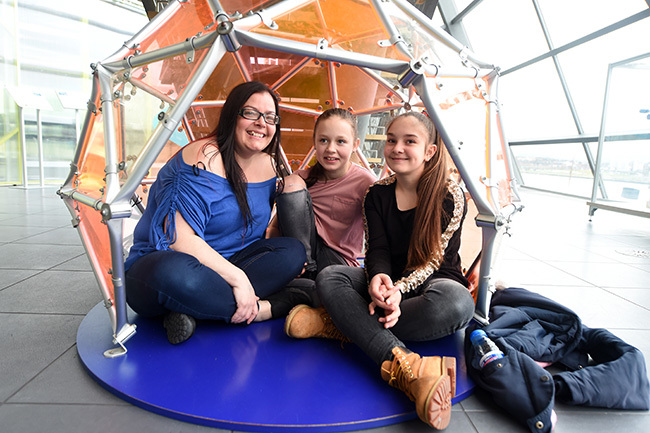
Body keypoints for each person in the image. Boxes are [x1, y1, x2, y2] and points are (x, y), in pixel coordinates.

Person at [284, 111, 475, 430]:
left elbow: (431, 260)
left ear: (429, 151)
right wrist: (377, 278)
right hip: (387, 284)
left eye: (409, 141)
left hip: (432, 285)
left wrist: (399, 291)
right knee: (332, 277)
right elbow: (378, 250)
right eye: (391, 140)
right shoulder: (377, 193)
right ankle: (407, 367)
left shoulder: (449, 194)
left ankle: (336, 324)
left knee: (457, 304)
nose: (397, 147)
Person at [124, 81, 307, 345]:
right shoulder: (204, 157)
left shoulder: (269, 164)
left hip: (225, 267)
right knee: (174, 273)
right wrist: (240, 280)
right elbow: (179, 240)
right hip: (165, 268)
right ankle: (267, 309)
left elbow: (258, 228)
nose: (261, 123)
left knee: (292, 252)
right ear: (232, 115)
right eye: (251, 113)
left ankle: (195, 311)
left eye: (270, 117)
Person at [270, 108, 376, 279]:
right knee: (290, 183)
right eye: (324, 140)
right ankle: (304, 269)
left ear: (355, 145)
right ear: (315, 142)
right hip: (301, 254)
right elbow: (276, 227)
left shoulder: (365, 182)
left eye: (341, 141)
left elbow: (380, 233)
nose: (331, 149)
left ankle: (313, 288)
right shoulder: (300, 179)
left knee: (325, 281)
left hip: (337, 260)